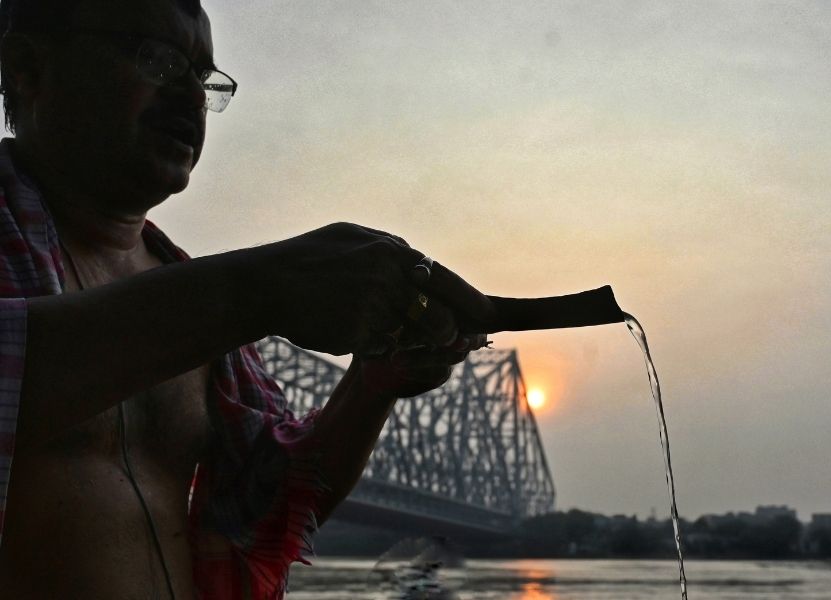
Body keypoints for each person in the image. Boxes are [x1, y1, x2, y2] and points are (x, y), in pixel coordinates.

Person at [0, 0, 494, 597]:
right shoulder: (213, 303)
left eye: (203, 78)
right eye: (157, 60)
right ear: (26, 67)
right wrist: (259, 289)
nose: (189, 97)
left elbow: (264, 507)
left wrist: (371, 385)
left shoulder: (189, 291)